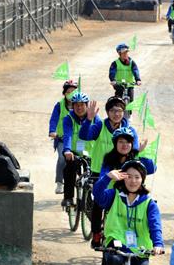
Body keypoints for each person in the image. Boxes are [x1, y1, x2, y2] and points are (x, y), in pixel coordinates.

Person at [80, 96, 141, 247]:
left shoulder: (129, 130)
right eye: (113, 111)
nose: (116, 114)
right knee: (97, 203)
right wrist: (89, 119)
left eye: (120, 110)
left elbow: (135, 150)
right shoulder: (100, 126)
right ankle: (96, 233)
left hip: (123, 173)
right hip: (99, 170)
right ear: (107, 112)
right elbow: (84, 136)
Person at [60, 91, 91, 207]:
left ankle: (89, 201)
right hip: (73, 152)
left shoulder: (93, 117)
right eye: (76, 105)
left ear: (86, 106)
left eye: (82, 105)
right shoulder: (69, 119)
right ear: (73, 106)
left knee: (94, 176)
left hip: (90, 153)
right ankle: (68, 198)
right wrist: (67, 150)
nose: (79, 107)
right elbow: (67, 135)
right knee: (69, 168)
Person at [48, 80, 78, 194]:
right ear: (64, 93)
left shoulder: (81, 104)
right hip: (62, 139)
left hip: (78, 140)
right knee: (62, 159)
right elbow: (54, 119)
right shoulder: (59, 105)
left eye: (74, 91)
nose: (71, 94)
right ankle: (60, 183)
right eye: (69, 91)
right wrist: (52, 131)